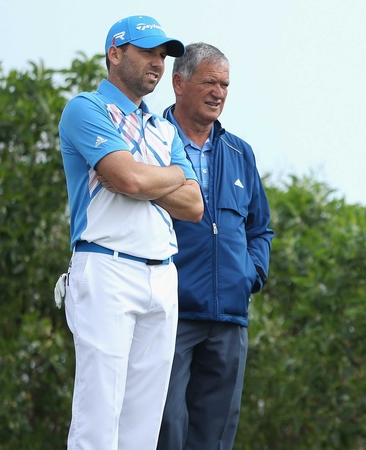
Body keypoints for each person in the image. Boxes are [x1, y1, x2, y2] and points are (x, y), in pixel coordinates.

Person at [56, 15, 204, 450]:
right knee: (98, 421)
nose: (157, 63)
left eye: (162, 55)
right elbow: (129, 180)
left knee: (143, 427)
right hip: (106, 266)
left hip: (162, 274)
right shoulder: (86, 108)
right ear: (115, 54)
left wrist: (148, 177)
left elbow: (194, 206)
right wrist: (174, 173)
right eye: (147, 52)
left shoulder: (162, 127)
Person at [156, 42, 274, 450]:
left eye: (224, 84)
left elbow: (261, 229)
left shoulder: (240, 152)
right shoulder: (150, 142)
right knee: (163, 427)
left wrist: (250, 275)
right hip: (169, 312)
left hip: (229, 317)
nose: (218, 92)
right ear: (178, 83)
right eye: (209, 81)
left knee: (215, 437)